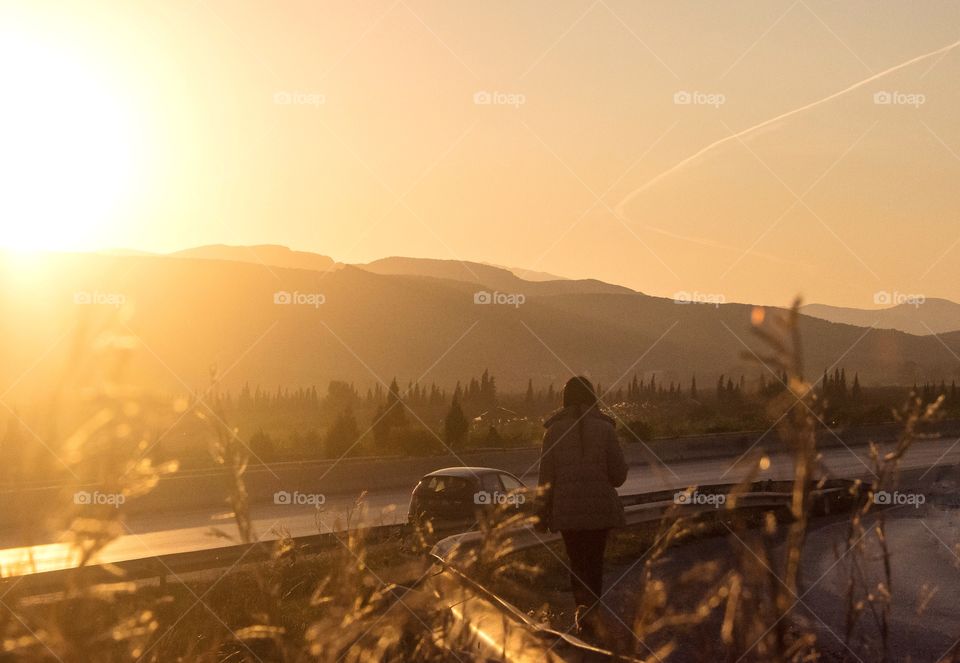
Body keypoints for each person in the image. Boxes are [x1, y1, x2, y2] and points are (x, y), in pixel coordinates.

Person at [536, 376, 628, 636]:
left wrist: (541, 512)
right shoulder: (606, 429)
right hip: (600, 512)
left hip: (567, 513)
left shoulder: (552, 432)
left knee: (577, 562)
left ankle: (582, 615)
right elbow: (619, 477)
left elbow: (546, 479)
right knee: (594, 562)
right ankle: (593, 615)